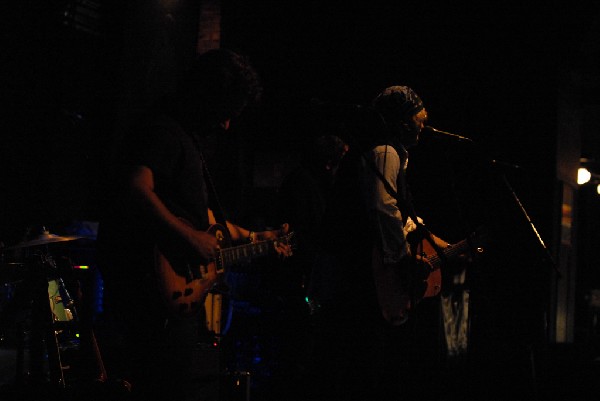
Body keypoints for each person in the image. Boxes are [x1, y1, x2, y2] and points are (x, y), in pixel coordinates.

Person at [95, 48, 291, 401]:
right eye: (226, 112)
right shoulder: (163, 130)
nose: (227, 124)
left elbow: (206, 221)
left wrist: (257, 237)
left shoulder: (184, 138)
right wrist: (189, 238)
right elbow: (136, 188)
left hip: (167, 303)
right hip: (151, 302)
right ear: (209, 96)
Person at [309, 86, 458, 401]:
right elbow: (382, 209)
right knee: (364, 365)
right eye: (419, 120)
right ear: (403, 120)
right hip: (360, 277)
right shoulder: (385, 152)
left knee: (359, 364)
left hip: (356, 275)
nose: (423, 126)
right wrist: (400, 260)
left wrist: (438, 243)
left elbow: (395, 212)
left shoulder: (387, 154)